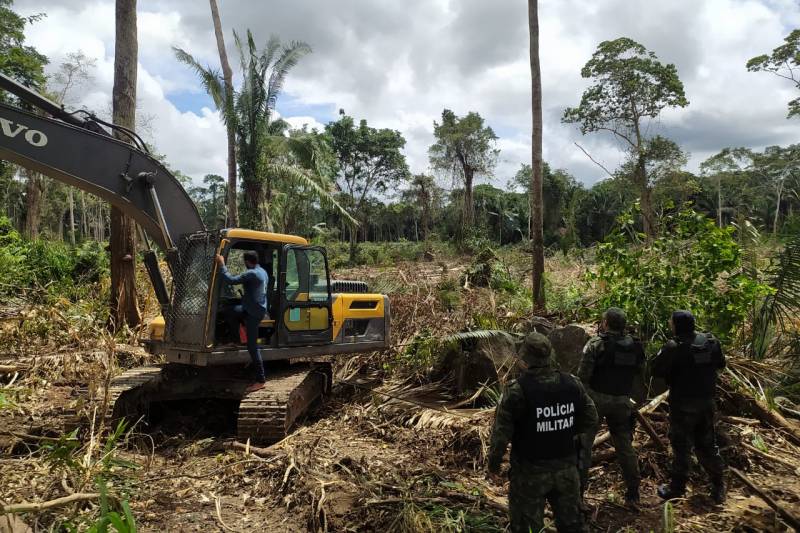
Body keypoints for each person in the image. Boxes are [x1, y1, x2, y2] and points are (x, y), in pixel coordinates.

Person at [488, 332, 598, 533]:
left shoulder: (516, 391)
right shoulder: (572, 383)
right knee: (572, 526)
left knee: (527, 527)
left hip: (530, 474)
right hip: (567, 470)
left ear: (524, 358)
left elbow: (501, 435)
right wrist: (564, 431)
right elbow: (591, 418)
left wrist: (493, 466)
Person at [651, 310, 727, 504]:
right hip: (707, 402)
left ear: (677, 325)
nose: (669, 324)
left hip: (683, 404)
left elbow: (656, 370)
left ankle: (677, 488)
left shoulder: (674, 346)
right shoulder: (711, 342)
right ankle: (719, 486)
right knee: (708, 444)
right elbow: (721, 364)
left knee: (681, 446)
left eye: (671, 322)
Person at [577, 307, 646, 507]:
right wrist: (631, 402)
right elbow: (640, 377)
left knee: (584, 447)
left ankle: (578, 496)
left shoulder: (596, 344)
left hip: (595, 402)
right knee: (625, 448)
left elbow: (582, 378)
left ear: (606, 323)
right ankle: (633, 494)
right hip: (623, 403)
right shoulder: (635, 346)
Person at [216, 250, 268, 392]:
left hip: (253, 313)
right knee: (230, 311)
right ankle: (235, 339)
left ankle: (261, 380)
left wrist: (221, 265)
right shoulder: (262, 271)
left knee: (252, 347)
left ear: (247, 262)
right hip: (256, 308)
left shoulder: (251, 273)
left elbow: (231, 280)